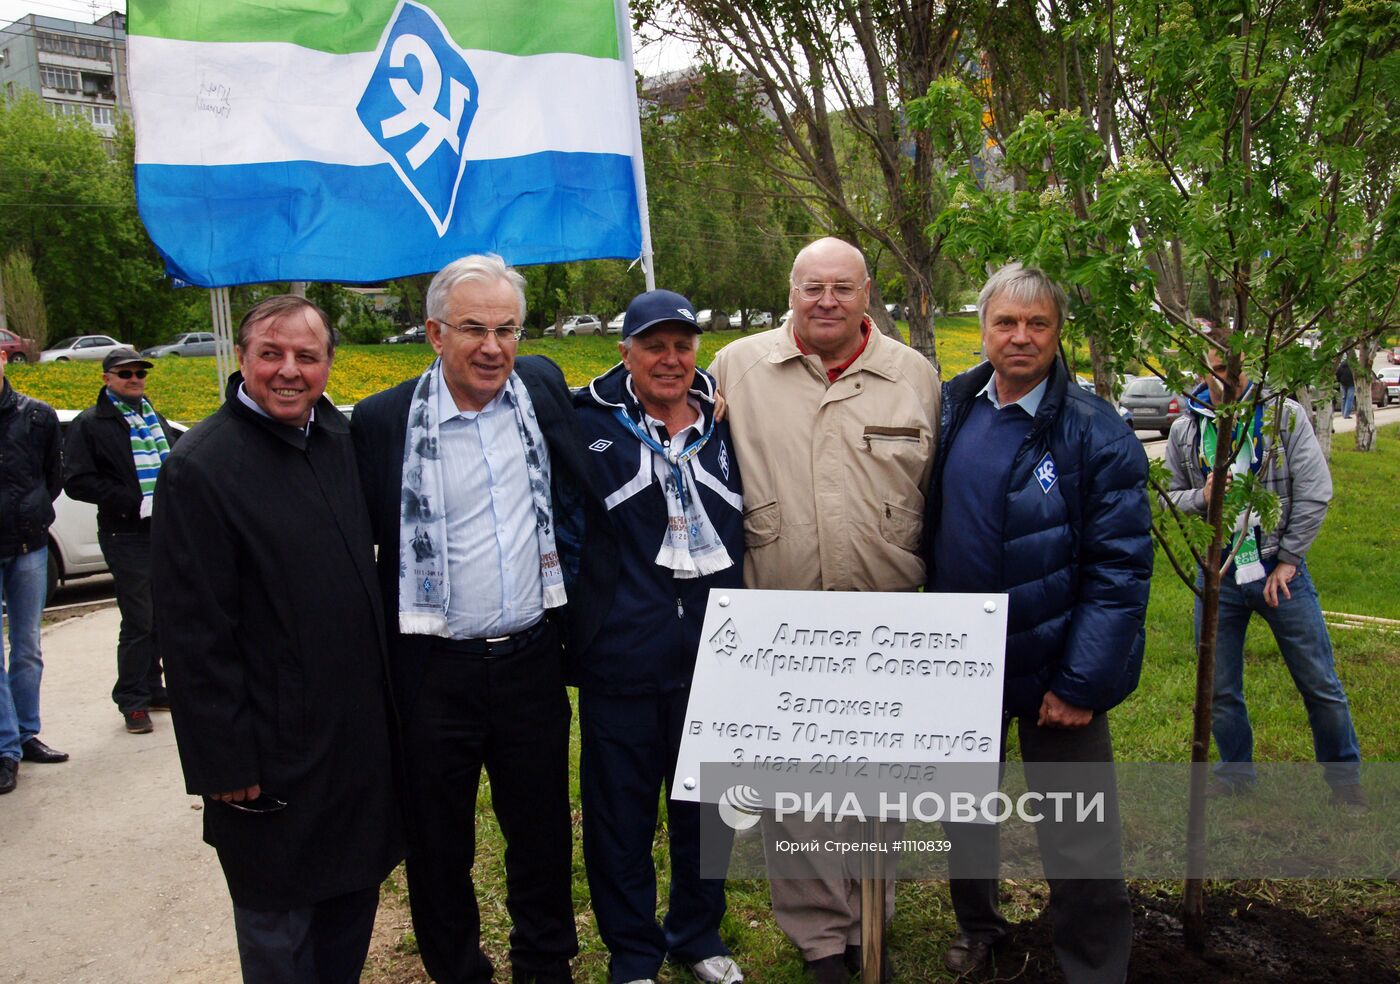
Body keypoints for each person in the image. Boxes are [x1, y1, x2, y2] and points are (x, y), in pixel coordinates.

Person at [352, 254, 598, 984]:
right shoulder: (382, 422)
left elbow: (623, 397)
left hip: (529, 657)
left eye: (507, 329)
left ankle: (544, 964)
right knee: (438, 842)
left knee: (543, 833)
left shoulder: (542, 387)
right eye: (473, 329)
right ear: (434, 332)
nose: (493, 347)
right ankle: (458, 971)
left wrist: (707, 391)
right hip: (433, 669)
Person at [151, 296, 401, 983]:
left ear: (328, 364)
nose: (288, 371)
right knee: (280, 937)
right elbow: (192, 630)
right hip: (268, 757)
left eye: (306, 356)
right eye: (272, 354)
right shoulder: (199, 467)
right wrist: (223, 764)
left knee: (350, 911)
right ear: (243, 359)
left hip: (352, 747)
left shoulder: (339, 440)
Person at [709, 237, 939, 984]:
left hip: (886, 610)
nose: (827, 302)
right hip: (782, 616)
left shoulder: (915, 377)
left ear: (868, 291)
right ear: (791, 290)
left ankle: (872, 915)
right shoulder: (739, 368)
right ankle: (820, 943)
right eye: (813, 288)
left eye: (842, 287)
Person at [922, 262, 1152, 983]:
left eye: (1038, 324)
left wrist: (1082, 682)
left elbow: (1119, 571)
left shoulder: (1095, 431)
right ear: (983, 329)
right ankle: (980, 928)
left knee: (1079, 830)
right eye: (1005, 323)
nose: (1020, 337)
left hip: (1058, 666)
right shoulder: (956, 403)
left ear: (1058, 333)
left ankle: (1093, 962)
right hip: (964, 661)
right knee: (965, 815)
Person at [571, 290, 745, 984]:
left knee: (708, 813)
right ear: (626, 354)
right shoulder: (586, 423)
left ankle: (697, 936)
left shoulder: (727, 422)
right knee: (621, 819)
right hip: (623, 658)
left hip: (714, 656)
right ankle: (634, 953)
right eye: (653, 346)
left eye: (682, 345)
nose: (669, 359)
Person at [1164, 347, 1363, 805]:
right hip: (1219, 575)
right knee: (1217, 687)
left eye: (1236, 370)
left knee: (1319, 681)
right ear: (1204, 372)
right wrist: (1201, 496)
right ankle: (1235, 777)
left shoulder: (1283, 417)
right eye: (1217, 371)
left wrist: (1290, 559)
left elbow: (1315, 492)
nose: (1227, 380)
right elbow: (1165, 497)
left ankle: (1345, 782)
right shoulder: (1185, 429)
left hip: (1280, 571)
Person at [63, 347, 179, 735]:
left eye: (139, 373)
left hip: (162, 529)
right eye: (125, 374)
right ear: (107, 378)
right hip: (125, 531)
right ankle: (131, 699)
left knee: (163, 615)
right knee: (138, 619)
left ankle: (152, 686)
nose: (134, 379)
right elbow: (77, 481)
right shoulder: (91, 423)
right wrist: (133, 501)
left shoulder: (152, 416)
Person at [0, 348, 67, 795]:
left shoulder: (37, 416)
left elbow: (53, 475)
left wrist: (35, 511)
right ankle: (6, 749)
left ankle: (26, 733)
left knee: (27, 645)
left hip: (27, 544)